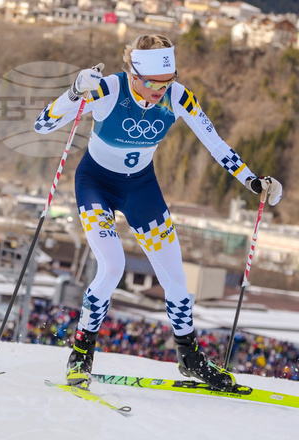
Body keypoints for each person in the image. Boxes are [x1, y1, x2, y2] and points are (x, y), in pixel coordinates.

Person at [33, 34, 283, 389]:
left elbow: (215, 143)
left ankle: (190, 358)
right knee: (112, 266)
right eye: (152, 83)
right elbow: (43, 125)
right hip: (96, 185)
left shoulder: (178, 96)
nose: (160, 91)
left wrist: (253, 182)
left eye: (166, 82)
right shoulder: (107, 90)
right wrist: (74, 92)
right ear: (132, 74)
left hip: (141, 189)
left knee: (177, 281)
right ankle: (81, 354)